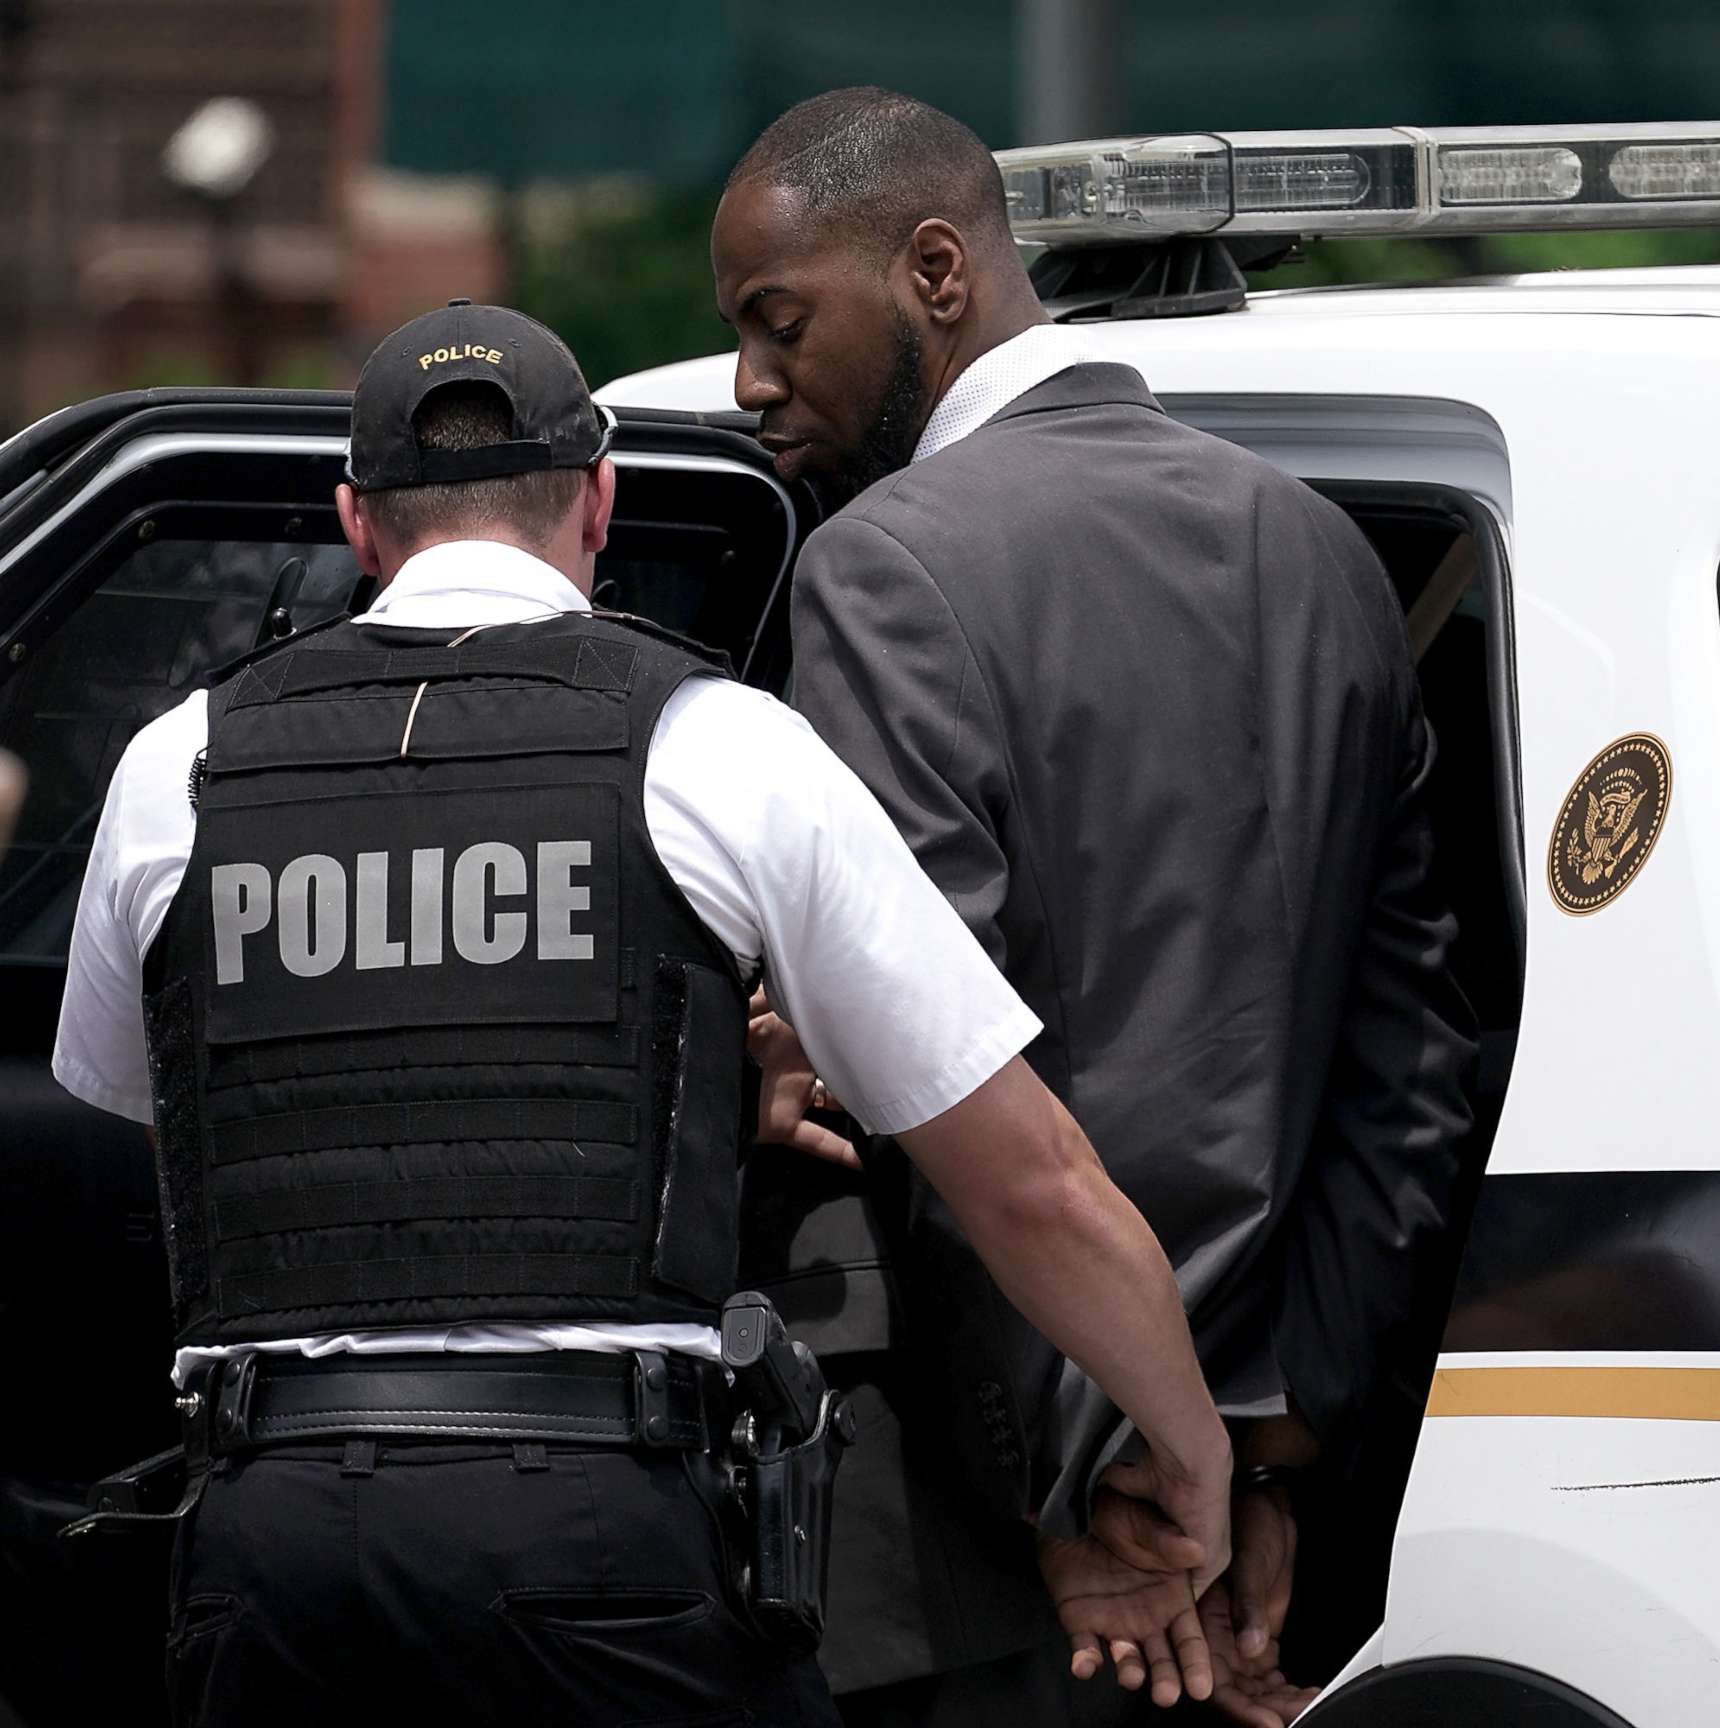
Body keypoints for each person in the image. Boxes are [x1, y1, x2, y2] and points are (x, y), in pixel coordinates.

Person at [49, 301, 1231, 1727]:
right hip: (601, 1539)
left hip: (275, 1541)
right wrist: (1189, 1453)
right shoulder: (715, 748)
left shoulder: (178, 766)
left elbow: (138, 1107)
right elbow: (1035, 1184)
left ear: (356, 524)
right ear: (599, 500)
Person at [710, 88, 1478, 1728]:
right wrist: (1272, 1450)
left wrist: (1089, 1502)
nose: (750, 383)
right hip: (1257, 1534)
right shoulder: (1323, 550)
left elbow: (941, 1095)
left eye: (780, 325)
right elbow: (1408, 1065)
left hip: (1015, 1569)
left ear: (934, 271)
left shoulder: (883, 567)